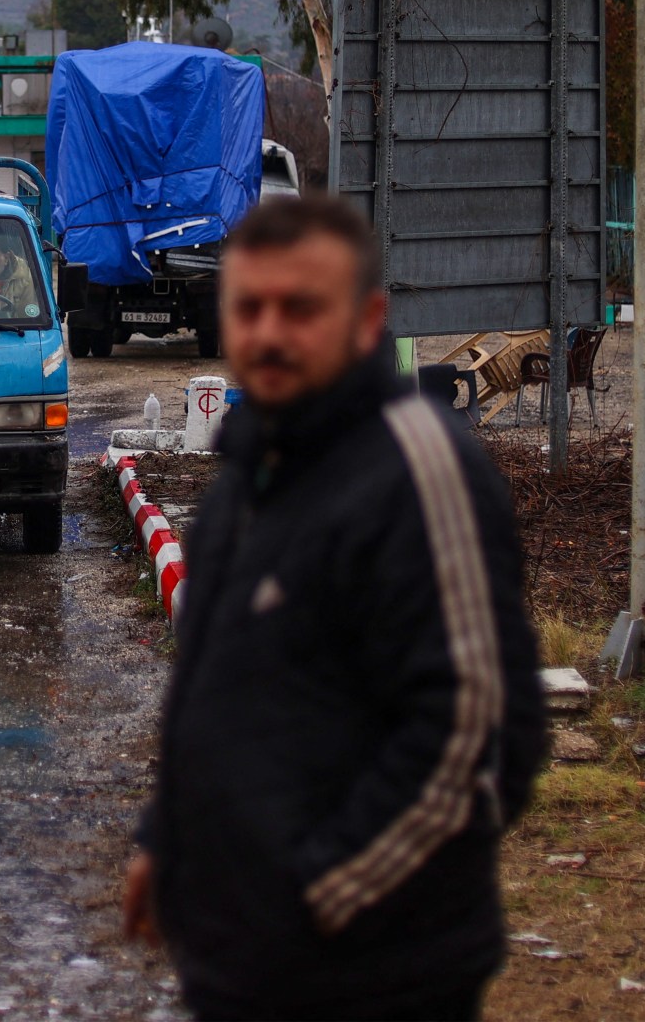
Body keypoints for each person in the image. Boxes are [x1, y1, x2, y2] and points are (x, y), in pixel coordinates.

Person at [122, 195, 546, 1022]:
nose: (270, 332)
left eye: (302, 308)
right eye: (249, 308)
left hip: (371, 977)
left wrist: (310, 899)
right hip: (243, 967)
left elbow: (475, 743)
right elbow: (218, 688)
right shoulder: (254, 466)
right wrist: (166, 836)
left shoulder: (420, 472)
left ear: (366, 320)